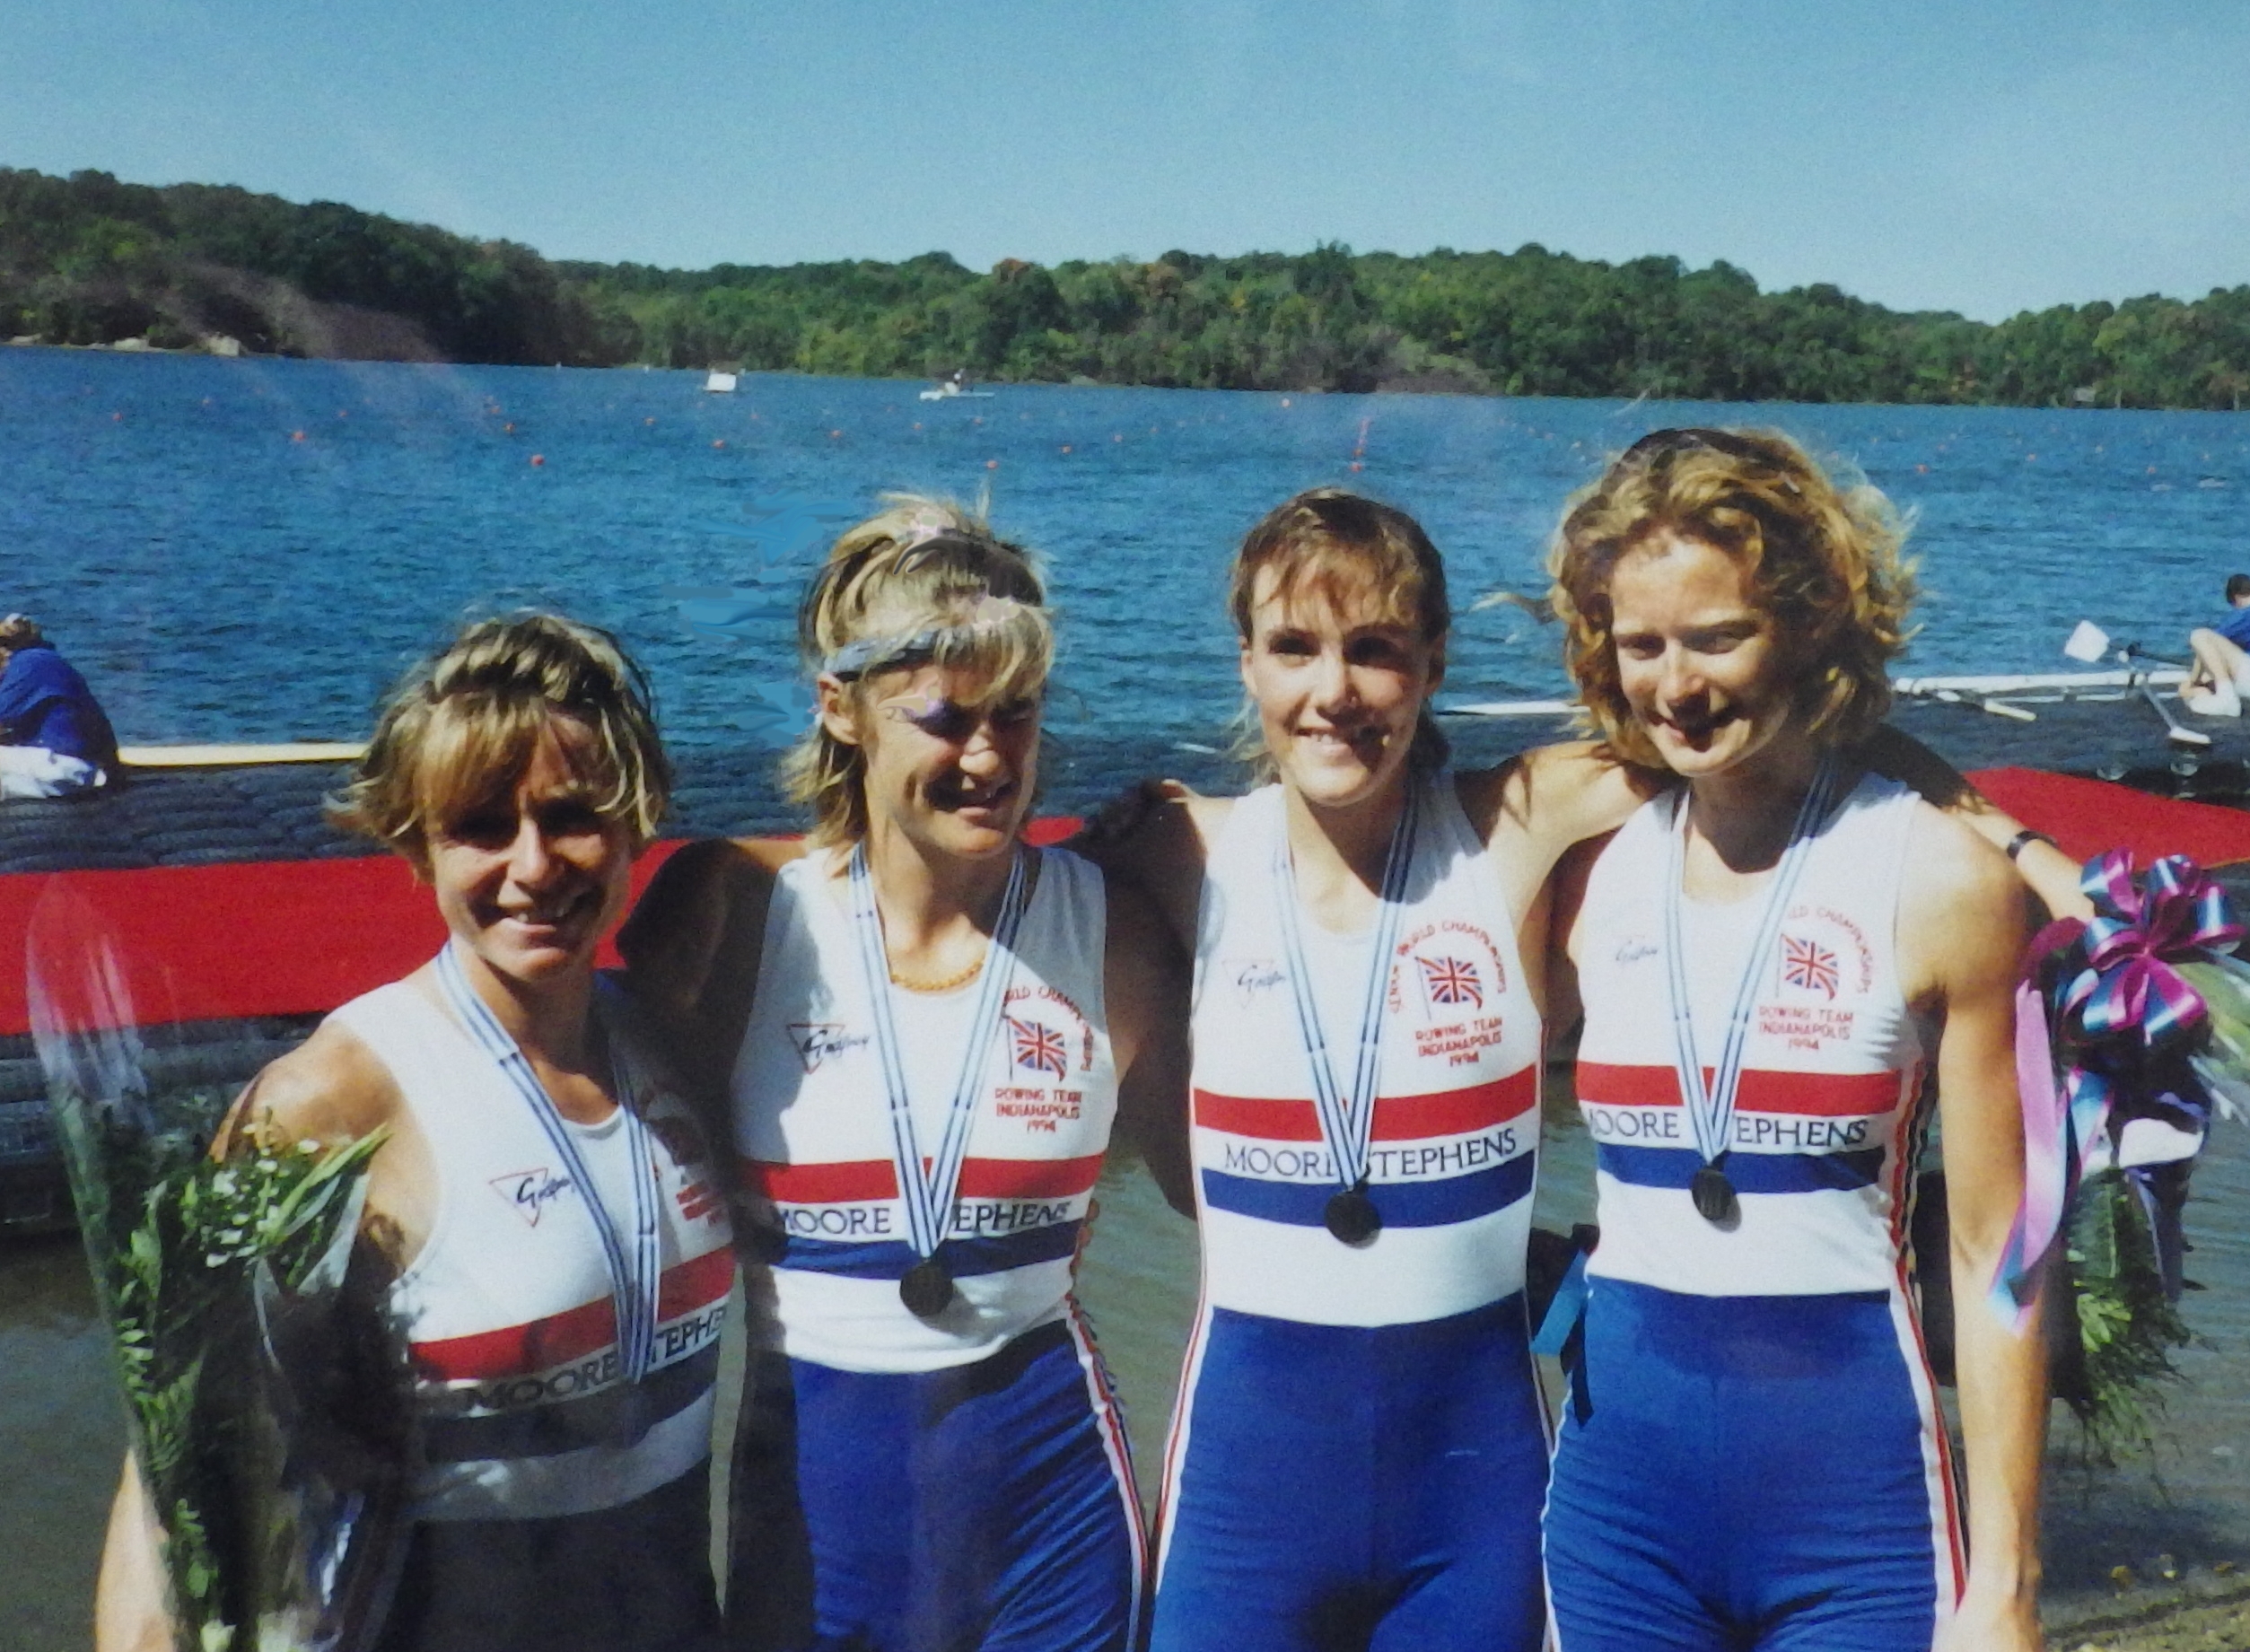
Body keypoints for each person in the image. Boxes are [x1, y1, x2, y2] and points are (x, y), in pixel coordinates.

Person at [95, 614, 735, 1652]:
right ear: (413, 843)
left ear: (636, 820)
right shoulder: (333, 1100)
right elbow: (174, 1474)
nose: (534, 865)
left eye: (572, 815)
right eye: (480, 825)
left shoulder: (666, 1042)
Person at [617, 497, 1190, 1652]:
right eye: (943, 716)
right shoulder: (733, 914)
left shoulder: (1111, 932)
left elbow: (1228, 1196)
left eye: (1016, 712)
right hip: (812, 1531)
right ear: (840, 708)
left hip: (1054, 1524)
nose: (987, 756)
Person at [1098, 489, 1655, 1652]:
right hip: (1247, 1508)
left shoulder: (1511, 827)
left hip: (1472, 1500)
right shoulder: (1177, 849)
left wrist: (2017, 848)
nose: (1333, 690)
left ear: (1434, 661)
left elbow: (1744, 714)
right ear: (1246, 663)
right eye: (1293, 646)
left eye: (1374, 650)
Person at [1540, 428, 2045, 1652]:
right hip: (1616, 1519)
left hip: (1853, 1518)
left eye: (1718, 637)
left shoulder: (1936, 876)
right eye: (1641, 644)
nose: (1676, 685)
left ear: (1813, 622)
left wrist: (2006, 1585)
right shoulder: (1586, 871)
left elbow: (1998, 1252)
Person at [0, 612, 118, 797]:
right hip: (75, 769)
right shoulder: (49, 662)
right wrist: (116, 774)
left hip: (59, 768)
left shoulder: (29, 663)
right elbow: (103, 729)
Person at [2178, 573, 2250, 717]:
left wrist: (2192, 681)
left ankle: (2226, 699)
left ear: (2237, 598)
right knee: (2208, 679)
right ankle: (2216, 695)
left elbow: (2209, 645)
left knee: (2200, 635)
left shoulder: (2248, 613)